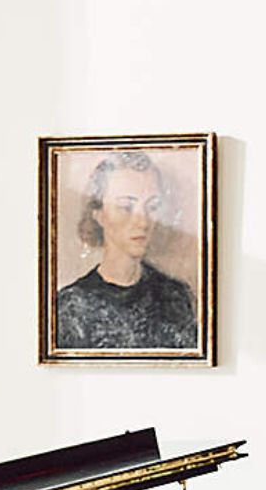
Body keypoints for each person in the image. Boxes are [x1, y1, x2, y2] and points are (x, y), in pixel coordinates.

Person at [52, 149, 199, 351]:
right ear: (98, 214)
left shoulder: (175, 296)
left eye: (152, 206)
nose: (143, 221)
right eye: (126, 207)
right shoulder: (71, 306)